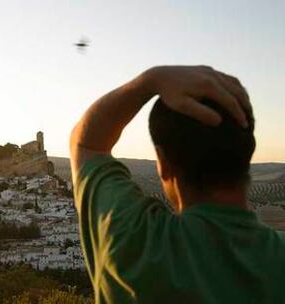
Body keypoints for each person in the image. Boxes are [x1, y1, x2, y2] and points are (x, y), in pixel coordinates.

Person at [69, 65, 285, 303]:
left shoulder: (133, 244)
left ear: (163, 163)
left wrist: (150, 80)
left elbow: (87, 143)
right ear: (249, 153)